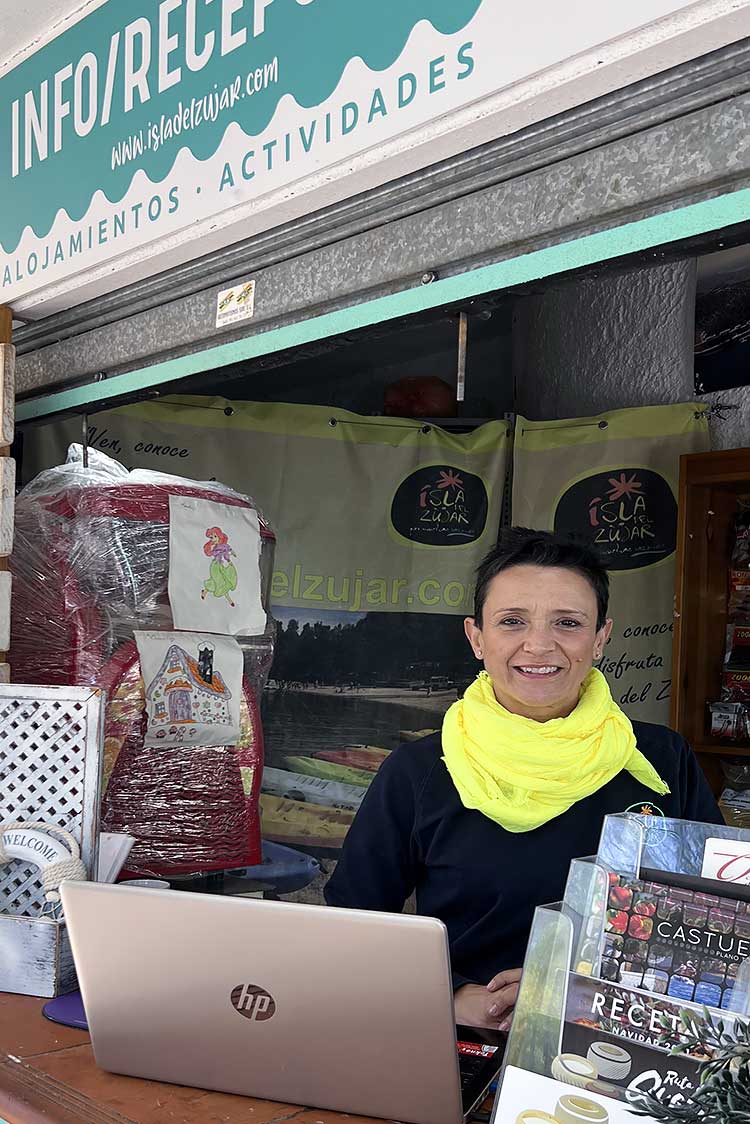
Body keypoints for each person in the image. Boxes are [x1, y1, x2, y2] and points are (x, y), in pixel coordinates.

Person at [324, 528, 723, 1031]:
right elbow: (351, 923)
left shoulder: (662, 759)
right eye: (512, 621)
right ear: (477, 637)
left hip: (629, 1032)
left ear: (600, 638)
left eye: (568, 623)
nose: (538, 645)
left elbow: (715, 915)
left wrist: (568, 987)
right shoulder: (421, 771)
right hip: (474, 1039)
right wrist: (449, 997)